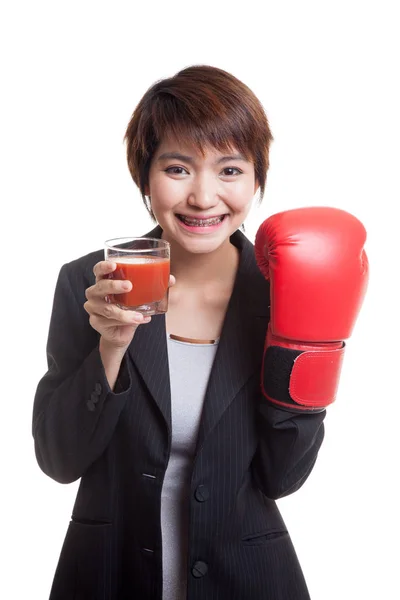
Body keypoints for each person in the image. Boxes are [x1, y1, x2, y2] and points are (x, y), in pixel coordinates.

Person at [32, 65, 368, 599]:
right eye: (178, 168)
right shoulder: (88, 282)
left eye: (230, 170)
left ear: (258, 178)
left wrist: (307, 346)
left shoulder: (282, 292)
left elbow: (283, 478)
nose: (204, 197)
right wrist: (111, 346)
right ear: (146, 177)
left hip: (250, 579)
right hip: (106, 576)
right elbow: (58, 459)